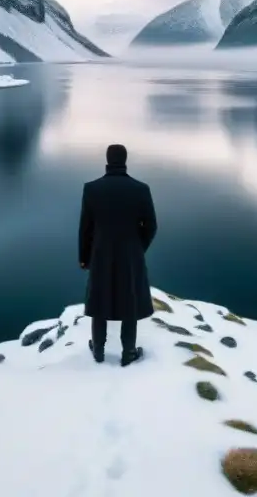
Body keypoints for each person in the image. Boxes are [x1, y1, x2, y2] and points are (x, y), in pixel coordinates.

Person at [78, 143, 158, 366]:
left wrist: (85, 257)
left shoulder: (92, 189)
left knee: (99, 301)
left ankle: (98, 351)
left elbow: (86, 228)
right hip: (131, 256)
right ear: (125, 160)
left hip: (101, 254)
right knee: (129, 301)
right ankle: (128, 352)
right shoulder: (141, 189)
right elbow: (151, 226)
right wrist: (137, 247)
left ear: (107, 159)